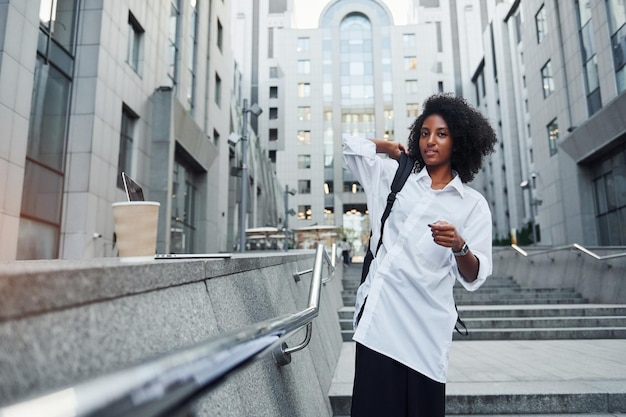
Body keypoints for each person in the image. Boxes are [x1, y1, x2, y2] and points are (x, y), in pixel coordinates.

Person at [342, 93, 498, 416]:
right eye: (425, 133)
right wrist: (389, 148)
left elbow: (475, 274)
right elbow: (350, 147)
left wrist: (459, 245)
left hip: (425, 337)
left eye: (441, 134)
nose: (431, 141)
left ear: (459, 142)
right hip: (379, 326)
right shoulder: (396, 178)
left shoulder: (472, 205)